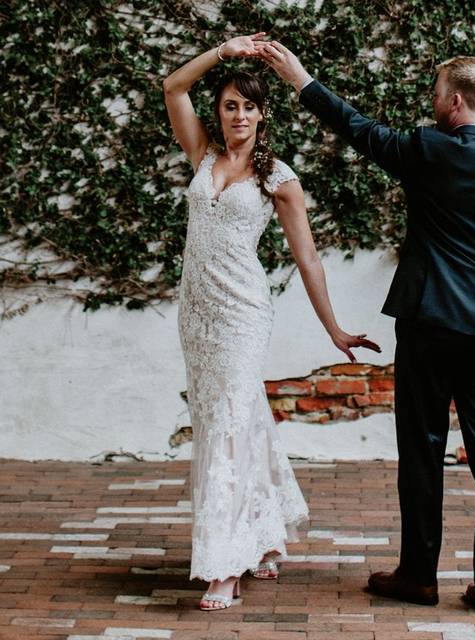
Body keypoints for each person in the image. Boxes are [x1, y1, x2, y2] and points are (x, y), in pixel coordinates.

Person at [259, 43, 475, 617]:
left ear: (457, 101)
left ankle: (418, 575)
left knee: (422, 451)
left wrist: (301, 78)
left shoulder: (427, 149)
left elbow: (356, 127)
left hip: (431, 323)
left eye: (438, 93)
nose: (433, 102)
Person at [162, 33, 381, 611]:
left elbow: (307, 257)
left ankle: (226, 565)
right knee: (227, 421)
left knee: (231, 424)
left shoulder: (278, 178)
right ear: (220, 111)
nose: (238, 114)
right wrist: (225, 52)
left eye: (248, 106)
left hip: (241, 313)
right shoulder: (202, 155)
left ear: (263, 114)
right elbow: (172, 85)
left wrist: (333, 329)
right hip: (197, 314)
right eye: (229, 104)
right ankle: (265, 537)